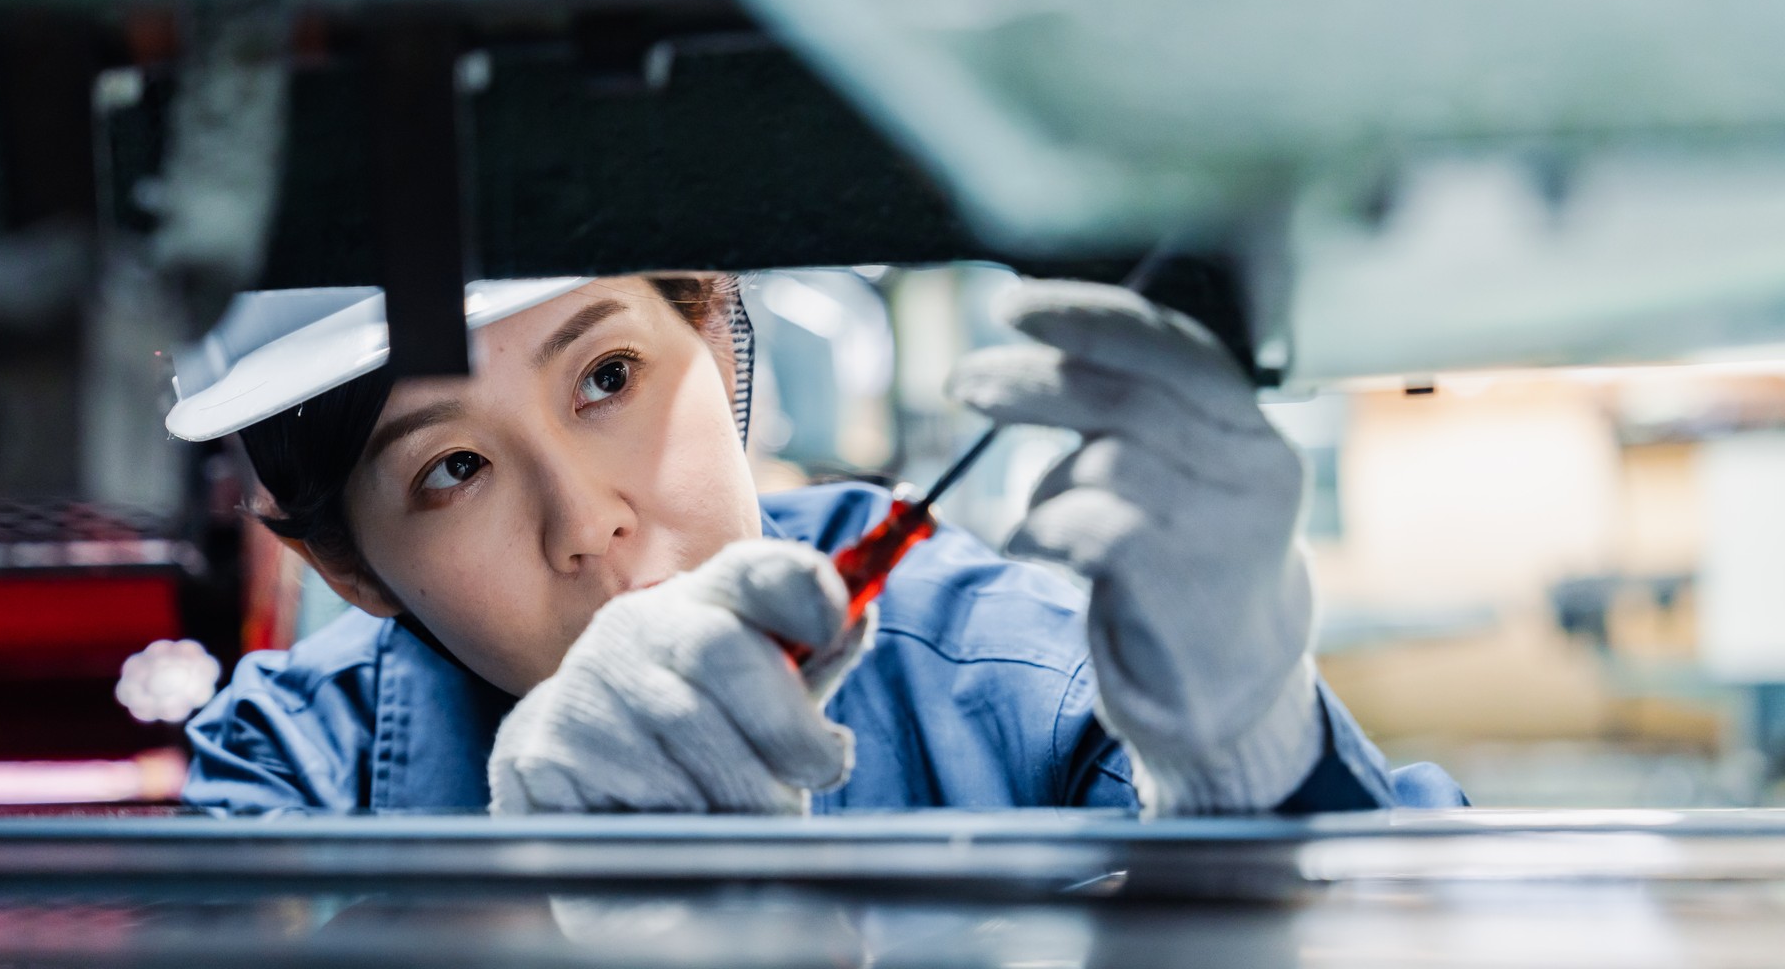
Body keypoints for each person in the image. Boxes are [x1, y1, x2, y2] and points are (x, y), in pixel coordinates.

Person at [173, 271, 1463, 815]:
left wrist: (1254, 769)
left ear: (721, 343)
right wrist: (542, 906)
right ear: (350, 572)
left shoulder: (1024, 688)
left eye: (610, 375)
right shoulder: (291, 768)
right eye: (451, 469)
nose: (589, 522)